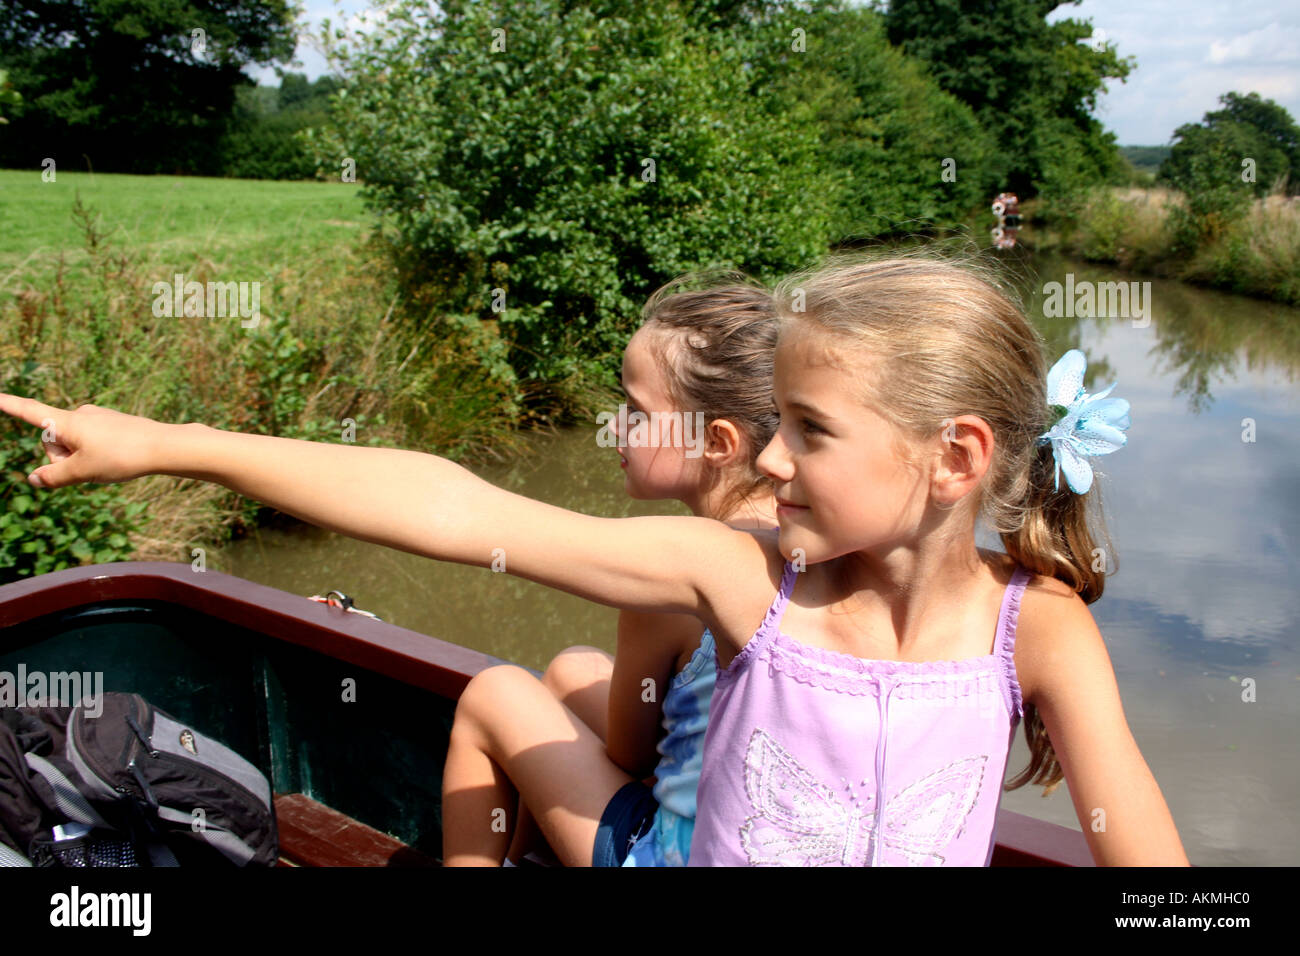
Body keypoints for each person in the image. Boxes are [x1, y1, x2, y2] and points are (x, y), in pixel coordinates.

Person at [0, 252, 1190, 865]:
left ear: (956, 455)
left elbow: (1142, 849)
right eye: (773, 424)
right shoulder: (743, 581)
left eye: (812, 432)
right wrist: (172, 443)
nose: (772, 464)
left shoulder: (1037, 629)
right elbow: (457, 507)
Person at [451, 275, 779, 867]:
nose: (617, 426)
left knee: (495, 692)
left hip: (676, 857)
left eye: (636, 410)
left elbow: (630, 754)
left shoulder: (676, 577)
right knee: (573, 667)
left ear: (718, 441)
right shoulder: (813, 543)